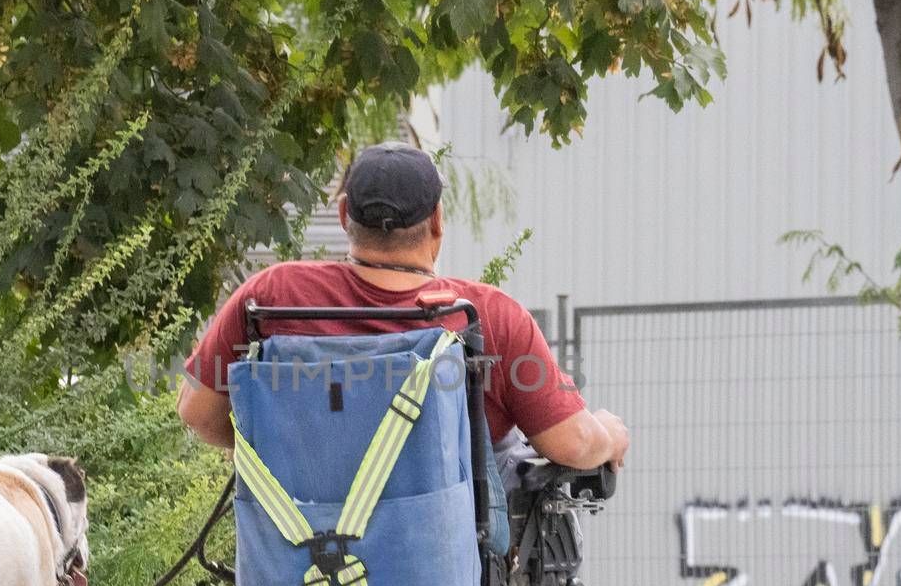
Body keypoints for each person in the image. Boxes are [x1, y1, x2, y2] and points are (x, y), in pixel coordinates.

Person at [177, 140, 630, 478]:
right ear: (436, 220)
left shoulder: (272, 296)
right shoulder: (485, 315)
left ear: (343, 217)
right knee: (508, 450)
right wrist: (607, 432)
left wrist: (282, 454)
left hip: (299, 561)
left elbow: (199, 414)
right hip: (443, 579)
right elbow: (570, 443)